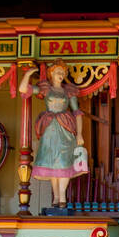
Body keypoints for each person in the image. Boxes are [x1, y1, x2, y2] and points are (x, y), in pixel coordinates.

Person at [19, 62, 89, 209]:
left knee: (64, 162)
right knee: (52, 164)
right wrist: (27, 74)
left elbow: (77, 113)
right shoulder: (46, 89)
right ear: (51, 74)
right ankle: (56, 196)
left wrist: (80, 134)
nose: (61, 75)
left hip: (66, 128)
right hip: (50, 129)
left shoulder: (69, 91)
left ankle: (63, 196)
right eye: (58, 71)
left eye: (63, 72)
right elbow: (23, 89)